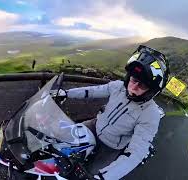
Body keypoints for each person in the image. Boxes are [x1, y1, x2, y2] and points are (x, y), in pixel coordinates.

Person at [57, 45, 169, 179]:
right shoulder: (118, 87)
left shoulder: (150, 114)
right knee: (61, 142)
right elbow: (92, 91)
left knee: (91, 173)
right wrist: (66, 94)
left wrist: (105, 177)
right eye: (133, 80)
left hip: (110, 147)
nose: (133, 88)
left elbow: (137, 152)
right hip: (94, 126)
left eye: (142, 85)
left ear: (151, 91)